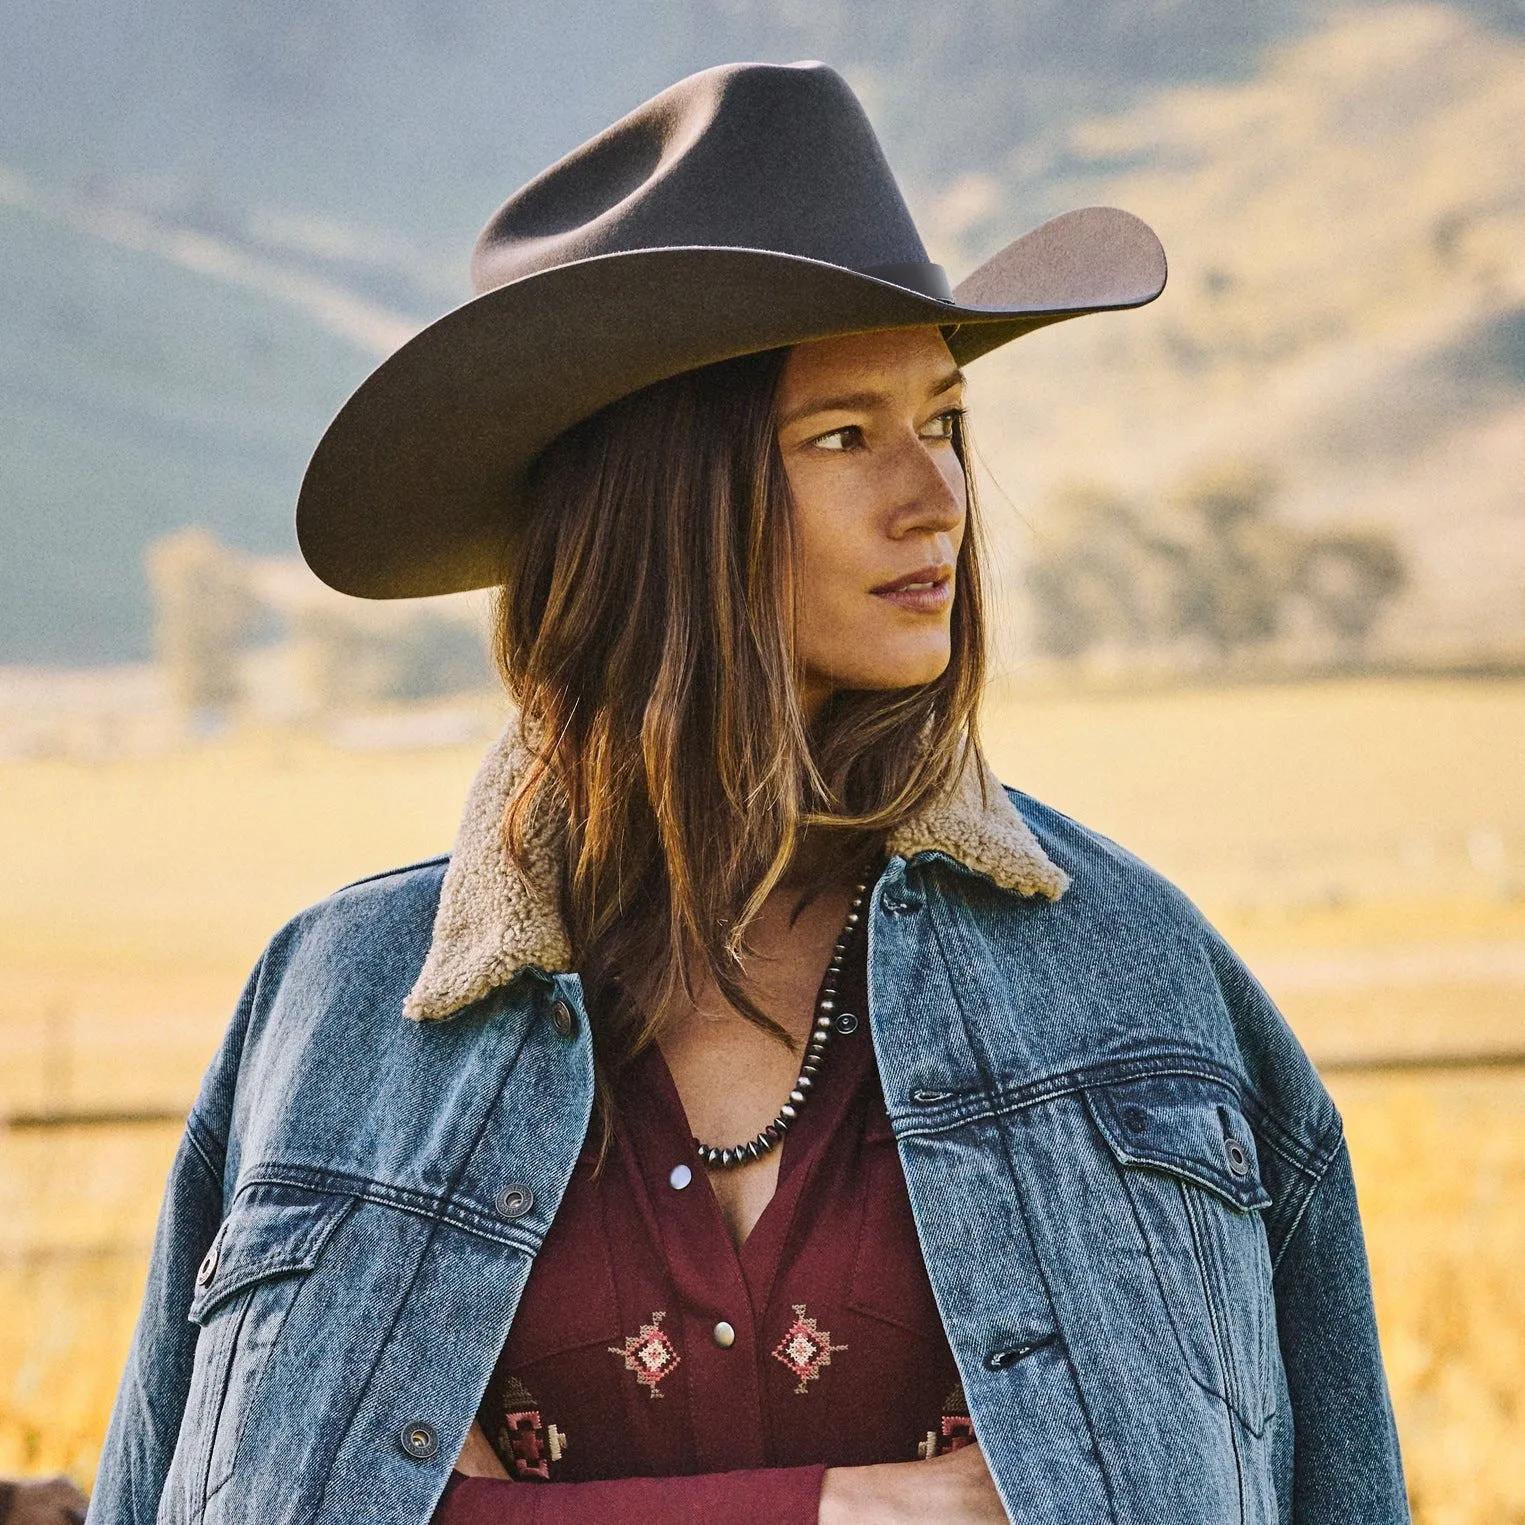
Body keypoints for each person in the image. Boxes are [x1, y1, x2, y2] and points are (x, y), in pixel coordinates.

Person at [90, 62, 1407, 1524]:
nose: (939, 500)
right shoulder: (332, 1011)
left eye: (947, 422)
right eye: (842, 437)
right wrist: (854, 1509)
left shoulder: (1131, 975)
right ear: (658, 508)